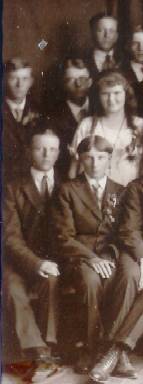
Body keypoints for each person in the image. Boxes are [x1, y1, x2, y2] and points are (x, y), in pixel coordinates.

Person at [88, 130, 143, 382]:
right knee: (129, 276)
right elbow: (129, 229)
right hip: (137, 249)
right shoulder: (136, 187)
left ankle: (115, 351)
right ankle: (120, 354)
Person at [51, 135, 125, 373]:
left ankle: (112, 348)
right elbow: (64, 236)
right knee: (91, 281)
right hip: (79, 257)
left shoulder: (120, 191)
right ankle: (90, 348)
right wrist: (91, 258)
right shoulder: (68, 190)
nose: (95, 163)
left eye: (101, 157)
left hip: (108, 255)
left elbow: (123, 233)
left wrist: (109, 256)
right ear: (80, 159)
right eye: (89, 158)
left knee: (121, 279)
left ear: (109, 159)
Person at [3, 128, 62, 382]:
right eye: (40, 148)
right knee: (14, 287)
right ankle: (40, 353)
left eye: (52, 149)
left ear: (59, 153)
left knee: (51, 281)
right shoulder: (12, 187)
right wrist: (36, 262)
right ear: (29, 151)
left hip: (54, 259)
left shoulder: (67, 183)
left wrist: (49, 263)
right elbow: (10, 236)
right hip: (18, 259)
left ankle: (45, 349)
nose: (46, 154)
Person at [69, 70, 143, 186]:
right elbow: (74, 168)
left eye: (116, 93)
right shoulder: (87, 125)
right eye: (105, 94)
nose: (111, 99)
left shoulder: (139, 125)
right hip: (92, 195)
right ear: (98, 96)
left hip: (130, 194)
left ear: (126, 94)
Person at [48, 58, 92, 177]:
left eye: (82, 79)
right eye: (70, 80)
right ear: (63, 84)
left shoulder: (100, 109)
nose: (78, 84)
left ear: (90, 82)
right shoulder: (52, 115)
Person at [3, 58, 43, 182]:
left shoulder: (41, 111)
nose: (19, 84)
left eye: (24, 79)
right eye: (13, 78)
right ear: (4, 80)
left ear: (31, 82)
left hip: (33, 180)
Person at [85, 13, 124, 77]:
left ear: (116, 36)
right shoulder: (83, 60)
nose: (107, 36)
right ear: (92, 33)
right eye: (100, 30)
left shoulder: (126, 58)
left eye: (111, 31)